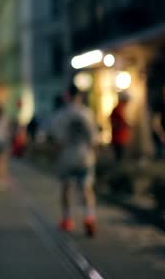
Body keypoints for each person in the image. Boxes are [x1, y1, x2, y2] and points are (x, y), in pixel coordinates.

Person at [51, 85, 99, 237]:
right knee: (86, 188)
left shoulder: (61, 115)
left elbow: (57, 139)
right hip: (84, 156)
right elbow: (93, 138)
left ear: (67, 96)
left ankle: (67, 219)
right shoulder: (87, 113)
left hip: (67, 156)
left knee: (66, 187)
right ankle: (89, 217)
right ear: (79, 96)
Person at [109, 92, 131, 163]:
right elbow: (115, 122)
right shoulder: (118, 109)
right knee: (119, 157)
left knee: (121, 156)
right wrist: (124, 125)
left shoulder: (121, 108)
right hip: (118, 137)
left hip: (121, 137)